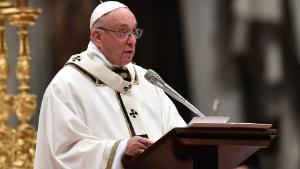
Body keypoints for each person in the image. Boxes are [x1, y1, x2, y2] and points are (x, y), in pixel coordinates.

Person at [34, 1, 186, 169]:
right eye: (123, 32)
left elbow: (177, 134)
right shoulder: (66, 86)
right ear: (98, 36)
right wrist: (120, 149)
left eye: (134, 32)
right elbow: (62, 153)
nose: (132, 41)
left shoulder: (146, 80)